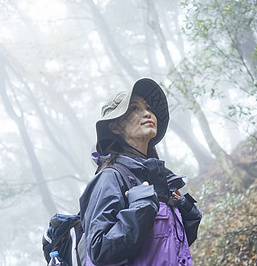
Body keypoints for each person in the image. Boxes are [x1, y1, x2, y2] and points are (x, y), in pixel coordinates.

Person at [79, 78, 201, 266]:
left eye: (149, 108)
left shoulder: (160, 179)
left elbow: (169, 244)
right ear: (115, 126)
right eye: (135, 108)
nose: (147, 113)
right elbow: (99, 250)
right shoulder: (109, 177)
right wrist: (142, 207)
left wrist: (186, 210)